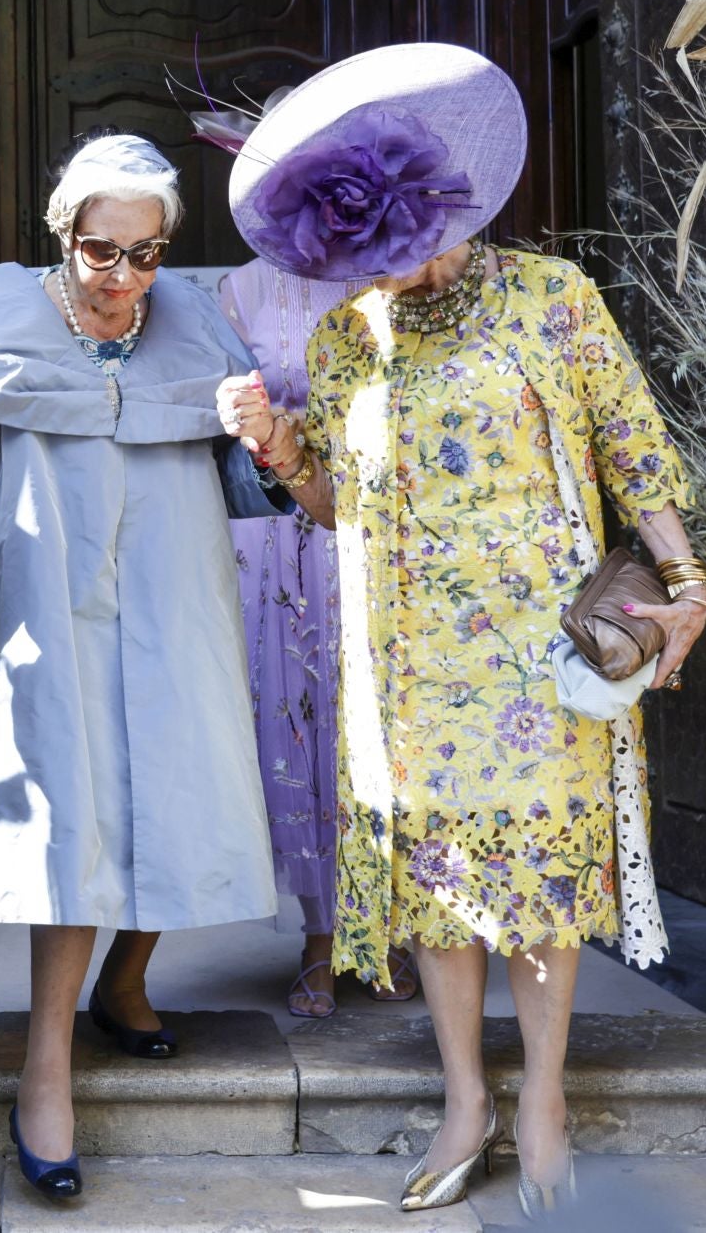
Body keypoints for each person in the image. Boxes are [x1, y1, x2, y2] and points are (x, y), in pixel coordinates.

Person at [217, 44, 706, 1219]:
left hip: (541, 652)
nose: (400, 271)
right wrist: (282, 453)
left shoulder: (555, 301)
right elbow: (343, 502)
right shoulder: (349, 339)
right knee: (437, 880)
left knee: (539, 875)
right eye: (374, 258)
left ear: (450, 201)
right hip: (405, 655)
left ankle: (540, 1096)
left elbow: (634, 454)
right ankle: (464, 1096)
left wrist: (686, 584)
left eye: (412, 243)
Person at [0, 132, 284, 1202]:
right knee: (70, 824)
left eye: (147, 255)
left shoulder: (195, 323)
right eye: (104, 252)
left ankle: (125, 983)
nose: (126, 278)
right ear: (64, 235)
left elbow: (248, 479)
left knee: (173, 798)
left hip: (172, 606)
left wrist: (264, 440)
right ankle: (45, 1070)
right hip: (46, 607)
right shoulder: (2, 309)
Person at [217, 258, 418, 1016]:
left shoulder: (399, 273)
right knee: (299, 723)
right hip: (278, 529)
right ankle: (320, 937)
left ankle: (390, 923)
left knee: (379, 722)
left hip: (379, 519)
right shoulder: (239, 289)